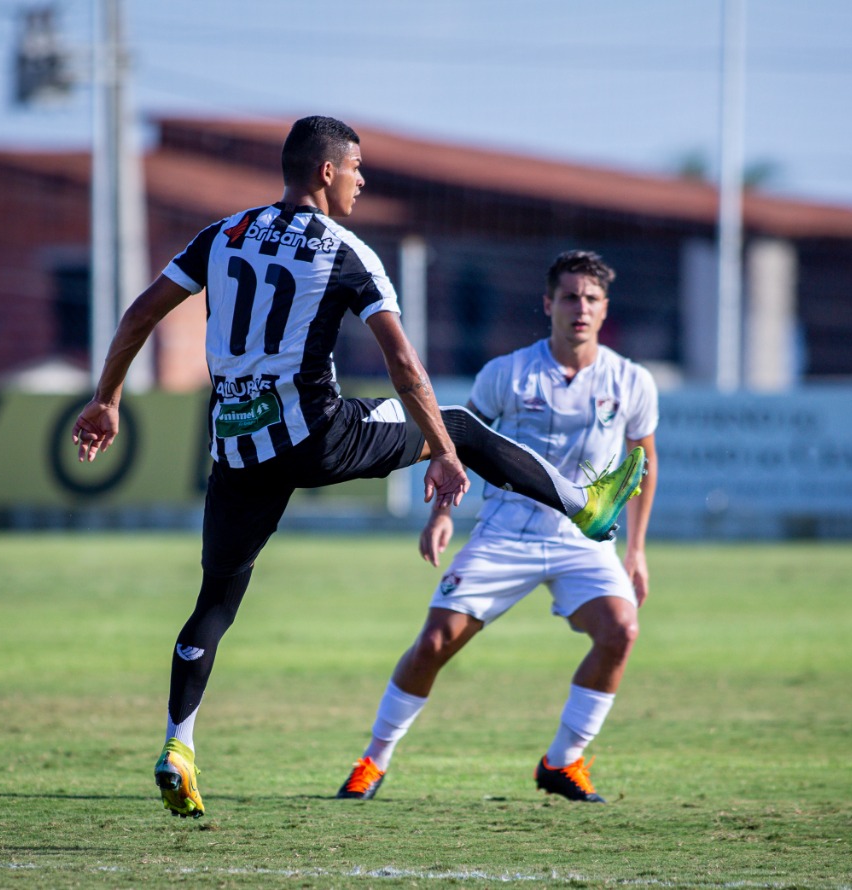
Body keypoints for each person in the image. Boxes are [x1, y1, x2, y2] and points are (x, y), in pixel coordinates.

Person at [70, 117, 647, 818]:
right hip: (317, 435)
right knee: (461, 424)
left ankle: (178, 745)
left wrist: (106, 400)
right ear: (325, 173)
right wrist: (439, 449)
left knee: (215, 601)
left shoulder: (219, 235)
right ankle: (583, 503)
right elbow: (405, 365)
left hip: (237, 449)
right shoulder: (347, 253)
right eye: (357, 169)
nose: (362, 181)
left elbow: (138, 317)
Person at [336, 249, 658, 804]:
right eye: (569, 297)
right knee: (435, 641)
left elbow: (643, 465)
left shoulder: (632, 381)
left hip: (582, 540)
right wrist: (441, 515)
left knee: (621, 632)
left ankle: (564, 761)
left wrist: (636, 550)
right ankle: (375, 758)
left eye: (590, 299)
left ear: (605, 310)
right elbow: (454, 444)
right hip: (505, 532)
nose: (579, 308)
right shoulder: (506, 373)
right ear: (548, 304)